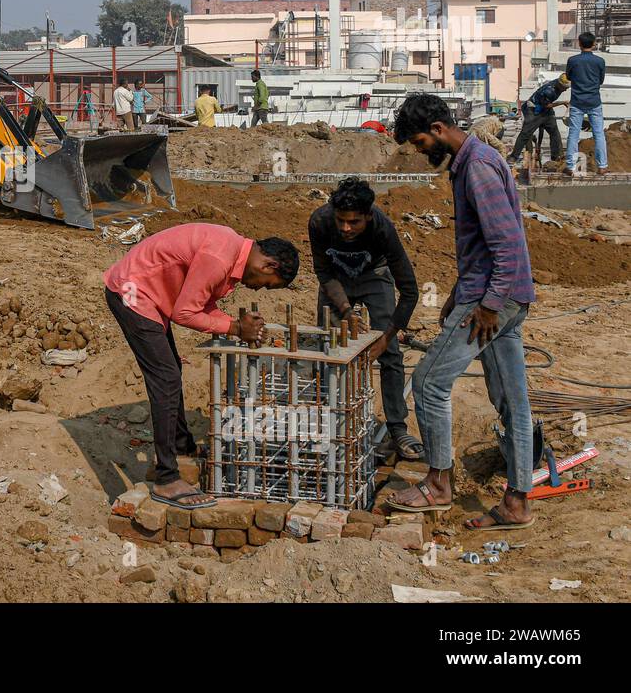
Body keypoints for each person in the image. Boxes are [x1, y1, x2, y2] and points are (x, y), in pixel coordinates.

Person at [389, 93, 536, 531]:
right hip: (504, 295)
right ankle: (517, 503)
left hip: (493, 301)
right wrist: (458, 291)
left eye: (419, 142)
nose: (420, 152)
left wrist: (486, 305)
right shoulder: (477, 161)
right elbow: (485, 246)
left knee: (429, 382)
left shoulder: (476, 169)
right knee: (513, 403)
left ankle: (437, 485)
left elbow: (506, 245)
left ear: (438, 129)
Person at [104, 225, 300, 509]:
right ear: (269, 264)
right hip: (132, 292)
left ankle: (181, 448)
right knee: (166, 378)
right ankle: (167, 478)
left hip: (148, 293)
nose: (258, 287)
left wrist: (236, 326)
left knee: (171, 373)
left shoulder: (230, 249)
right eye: (267, 283)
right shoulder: (220, 258)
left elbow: (201, 302)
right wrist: (234, 327)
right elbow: (185, 312)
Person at [308, 177, 422, 459]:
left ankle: (397, 429)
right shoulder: (320, 222)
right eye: (341, 221)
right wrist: (346, 310)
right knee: (330, 350)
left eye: (354, 222)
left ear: (368, 216)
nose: (346, 228)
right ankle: (329, 422)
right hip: (337, 278)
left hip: (375, 275)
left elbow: (409, 290)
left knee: (391, 356)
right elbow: (324, 273)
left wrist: (385, 338)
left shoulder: (383, 229)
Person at [564, 32, 608, 176]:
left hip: (577, 101)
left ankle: (570, 167)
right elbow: (600, 80)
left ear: (579, 43)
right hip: (594, 101)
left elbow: (569, 77)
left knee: (573, 134)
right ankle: (602, 166)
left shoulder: (572, 60)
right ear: (594, 44)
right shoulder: (600, 61)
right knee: (599, 134)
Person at [508, 74, 569, 166]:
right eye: (564, 87)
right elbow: (547, 105)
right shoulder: (549, 90)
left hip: (545, 109)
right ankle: (513, 156)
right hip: (534, 110)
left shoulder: (559, 84)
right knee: (526, 133)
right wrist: (562, 103)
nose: (566, 89)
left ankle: (556, 156)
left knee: (554, 132)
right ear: (560, 85)